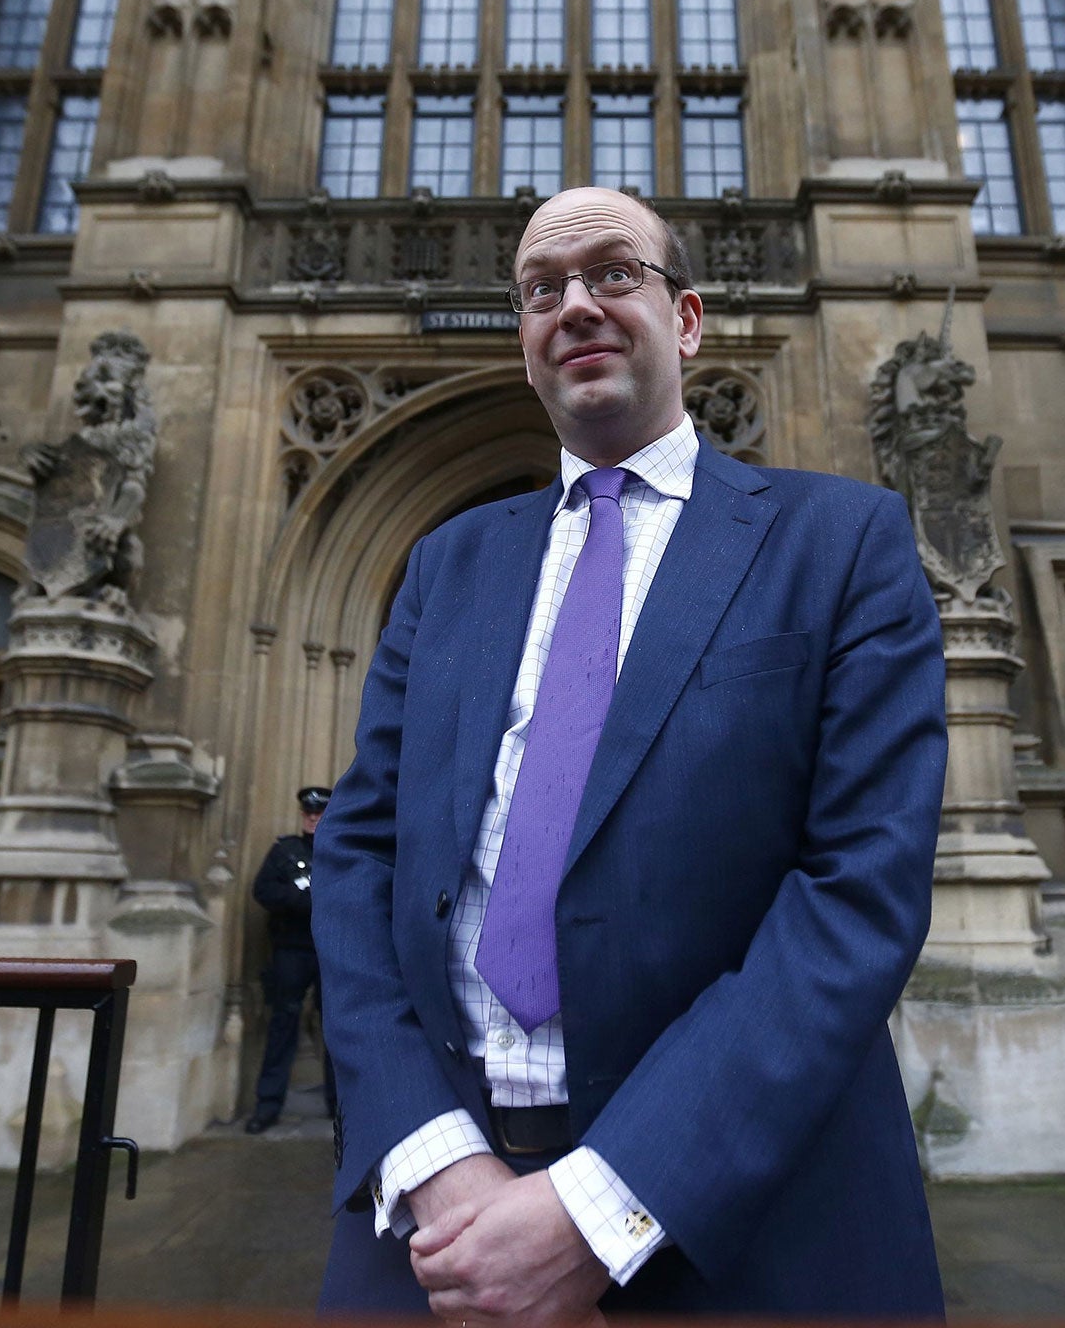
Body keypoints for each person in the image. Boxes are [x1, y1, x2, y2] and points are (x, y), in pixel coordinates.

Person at [312, 187, 948, 1318]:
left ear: (686, 321)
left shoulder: (840, 542)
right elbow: (359, 863)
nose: (574, 307)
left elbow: (858, 891)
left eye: (613, 274)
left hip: (734, 1218)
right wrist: (430, 1154)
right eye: (541, 290)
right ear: (522, 342)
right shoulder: (443, 564)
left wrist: (601, 1206)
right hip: (439, 1223)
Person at [245, 784, 335, 1134]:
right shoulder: (285, 851)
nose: (313, 818)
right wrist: (307, 903)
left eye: (319, 813)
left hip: (328, 953)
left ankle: (339, 1106)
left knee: (337, 1031)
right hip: (292, 951)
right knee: (282, 1025)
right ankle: (267, 1106)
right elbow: (263, 890)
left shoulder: (338, 852)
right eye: (308, 813)